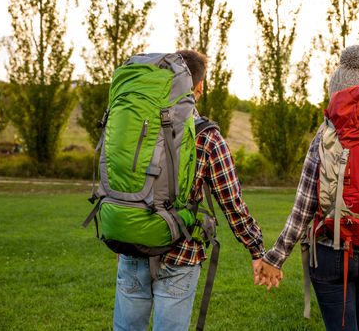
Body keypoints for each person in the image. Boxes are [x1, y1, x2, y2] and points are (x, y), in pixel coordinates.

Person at [114, 49, 265, 331]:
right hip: (180, 252)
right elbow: (231, 201)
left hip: (131, 244)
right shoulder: (206, 136)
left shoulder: (136, 125)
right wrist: (256, 249)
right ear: (198, 87)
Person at [255, 45, 359, 331]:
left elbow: (303, 208)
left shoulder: (326, 135)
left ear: (335, 93)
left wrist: (275, 257)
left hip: (333, 254)